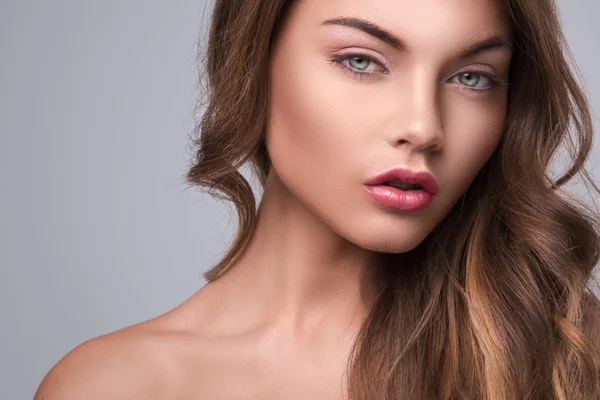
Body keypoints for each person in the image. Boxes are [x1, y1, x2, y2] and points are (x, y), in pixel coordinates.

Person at [35, 0, 600, 399]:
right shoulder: (113, 386)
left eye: (473, 78)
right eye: (361, 60)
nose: (423, 127)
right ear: (254, 66)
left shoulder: (569, 353)